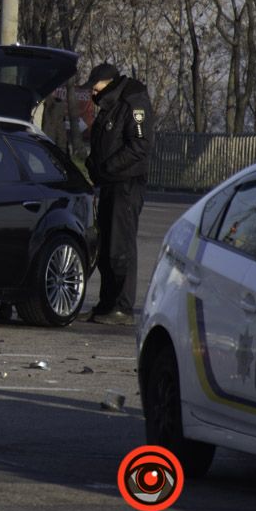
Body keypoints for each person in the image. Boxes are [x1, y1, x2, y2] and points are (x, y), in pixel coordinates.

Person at [82, 63, 153, 326]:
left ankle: (122, 307)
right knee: (107, 247)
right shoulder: (111, 105)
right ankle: (106, 304)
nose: (93, 93)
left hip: (126, 184)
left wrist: (107, 168)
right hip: (110, 183)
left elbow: (140, 146)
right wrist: (94, 167)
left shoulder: (133, 102)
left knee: (120, 247)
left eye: (96, 87)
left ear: (108, 83)